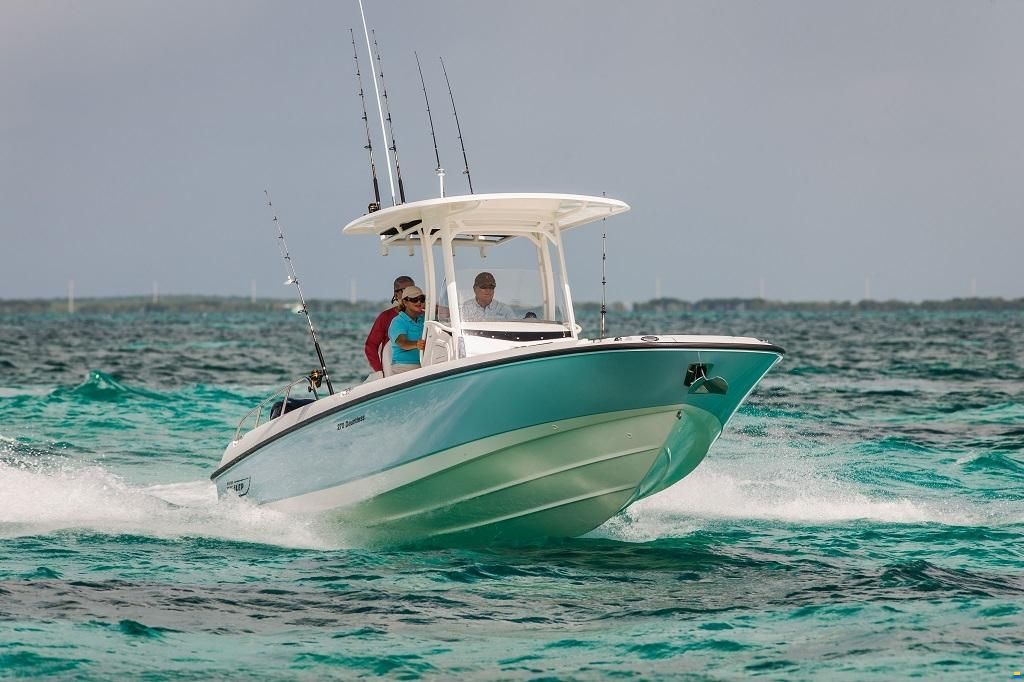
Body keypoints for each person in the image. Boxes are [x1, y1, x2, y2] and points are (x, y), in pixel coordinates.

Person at [364, 275, 414, 377]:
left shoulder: (424, 315)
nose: (410, 294)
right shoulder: (385, 317)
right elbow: (371, 345)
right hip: (392, 371)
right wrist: (379, 371)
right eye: (405, 290)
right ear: (396, 294)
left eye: (412, 290)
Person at [388, 285, 427, 374]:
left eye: (422, 299)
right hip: (403, 368)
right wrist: (417, 344)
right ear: (405, 302)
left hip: (425, 364)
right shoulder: (398, 321)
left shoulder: (425, 318)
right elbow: (402, 342)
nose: (419, 302)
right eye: (414, 299)